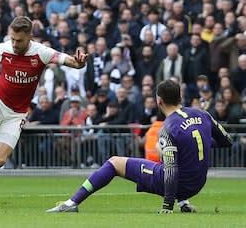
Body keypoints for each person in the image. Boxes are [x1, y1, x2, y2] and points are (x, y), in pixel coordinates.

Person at [0, 16, 87, 206]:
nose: (15, 44)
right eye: (12, 39)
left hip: (17, 114)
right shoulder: (4, 49)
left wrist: (80, 62)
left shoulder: (41, 52)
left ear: (29, 37)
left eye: (19, 40)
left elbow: (68, 61)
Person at [46, 79, 233, 213]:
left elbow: (171, 170)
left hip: (176, 184)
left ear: (159, 101)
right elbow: (227, 142)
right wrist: (196, 145)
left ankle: (72, 203)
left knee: (114, 163)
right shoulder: (203, 115)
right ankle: (183, 203)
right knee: (175, 160)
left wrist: (167, 206)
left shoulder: (168, 127)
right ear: (180, 97)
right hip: (198, 183)